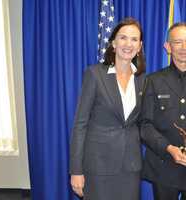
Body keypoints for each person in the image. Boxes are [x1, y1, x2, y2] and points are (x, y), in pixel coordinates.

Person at [69, 18, 145, 200]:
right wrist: (76, 170)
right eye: (123, 38)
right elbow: (80, 124)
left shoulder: (143, 79)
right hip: (98, 166)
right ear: (113, 43)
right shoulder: (94, 74)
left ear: (140, 46)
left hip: (131, 167)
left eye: (134, 39)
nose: (128, 44)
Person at [141, 22, 186, 200]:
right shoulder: (153, 81)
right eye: (177, 42)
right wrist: (168, 149)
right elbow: (145, 125)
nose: (184, 47)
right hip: (164, 167)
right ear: (167, 47)